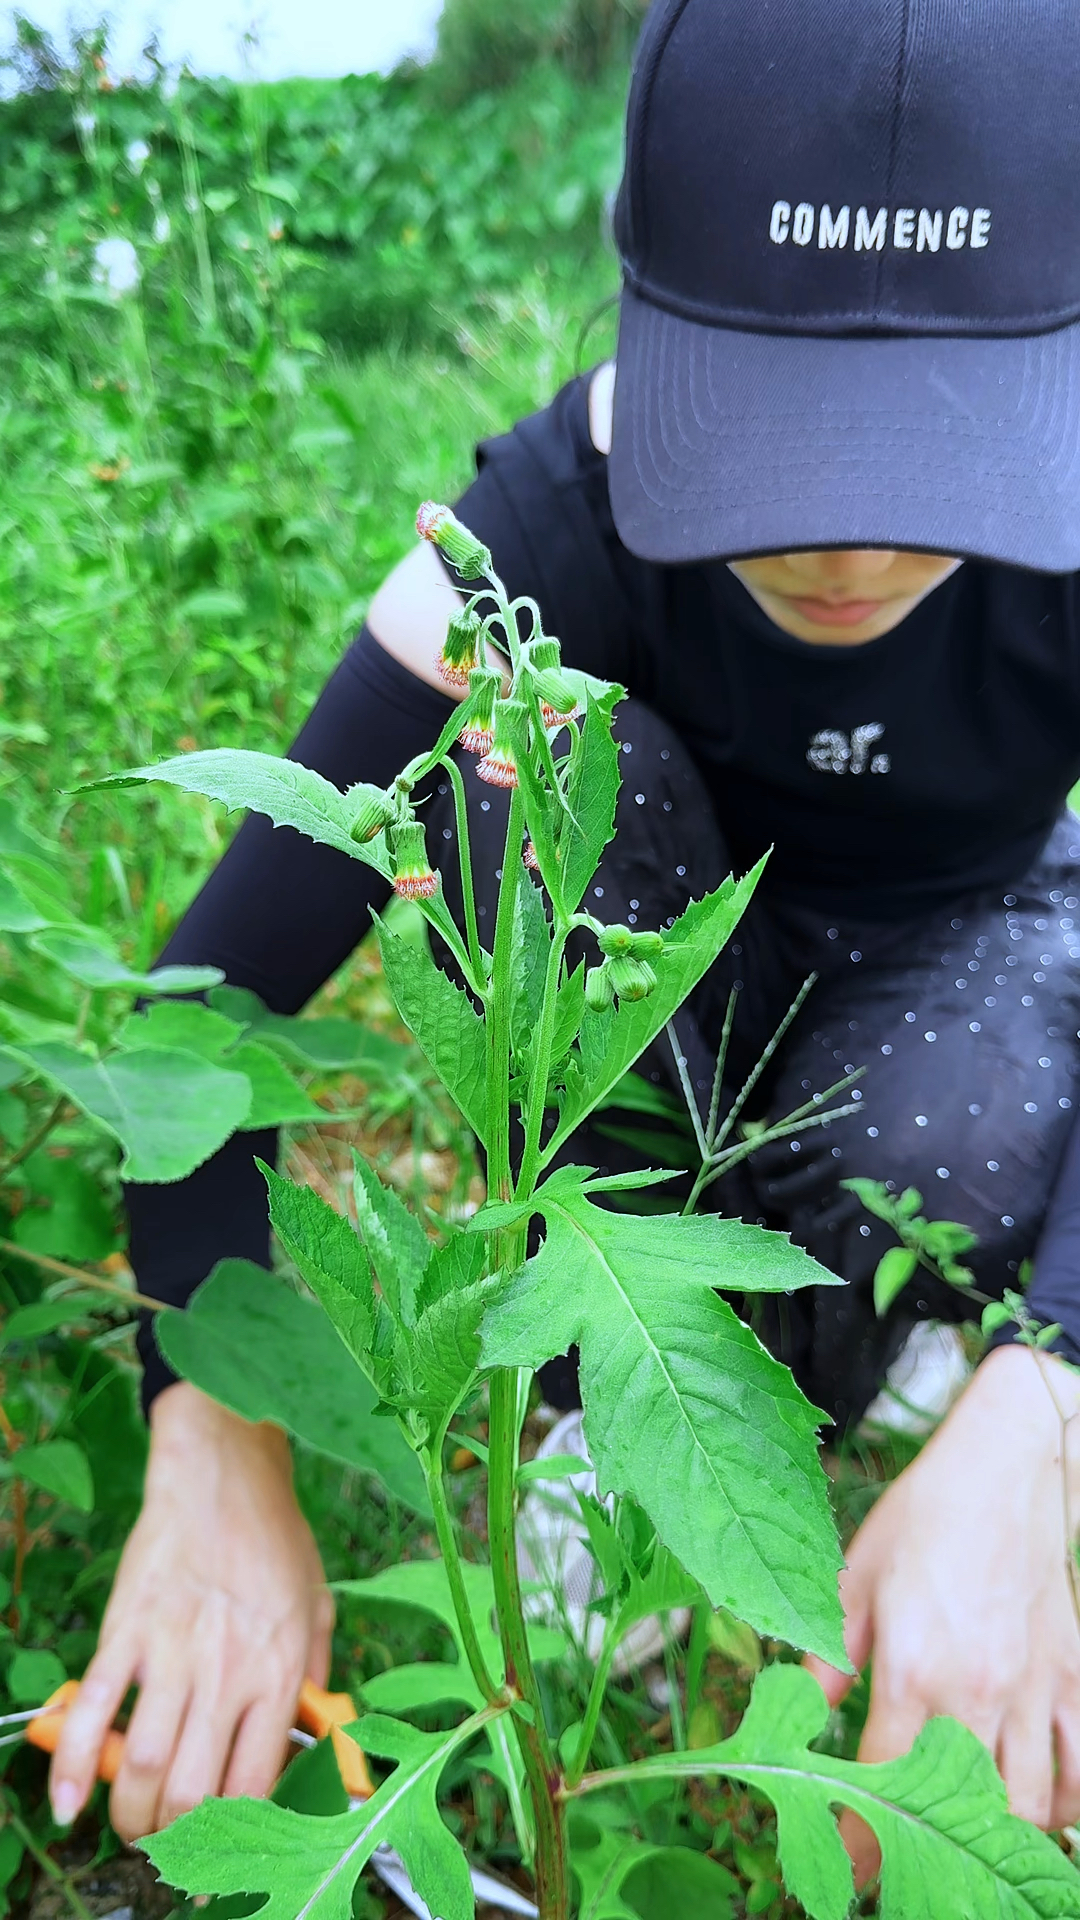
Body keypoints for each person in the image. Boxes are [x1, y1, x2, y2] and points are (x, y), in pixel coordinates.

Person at [49, 0, 1080, 1867]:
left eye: (940, 457)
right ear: (648, 321)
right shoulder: (539, 526)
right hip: (664, 994)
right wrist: (213, 1419)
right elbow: (205, 1006)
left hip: (949, 978)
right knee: (493, 773)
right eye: (773, 442)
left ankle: (903, 1342)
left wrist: (1046, 1408)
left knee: (977, 1097)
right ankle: (640, 1352)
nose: (851, 546)